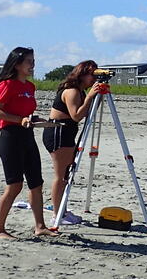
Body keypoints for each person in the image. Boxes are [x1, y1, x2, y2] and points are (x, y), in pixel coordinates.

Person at [0, 47, 56, 239]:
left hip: (27, 136)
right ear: (17, 64)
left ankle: (40, 226)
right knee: (15, 185)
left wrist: (35, 119)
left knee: (36, 183)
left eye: (33, 61)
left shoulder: (30, 86)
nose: (32, 64)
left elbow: (26, 113)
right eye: (29, 61)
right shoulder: (7, 85)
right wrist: (20, 120)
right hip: (10, 138)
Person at [42, 60, 105, 225]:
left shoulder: (81, 92)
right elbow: (76, 115)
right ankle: (58, 214)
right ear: (81, 74)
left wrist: (95, 97)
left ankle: (62, 209)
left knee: (66, 174)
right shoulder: (72, 91)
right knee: (61, 176)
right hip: (59, 132)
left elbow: (88, 112)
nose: (93, 78)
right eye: (91, 74)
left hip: (67, 132)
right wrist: (91, 95)